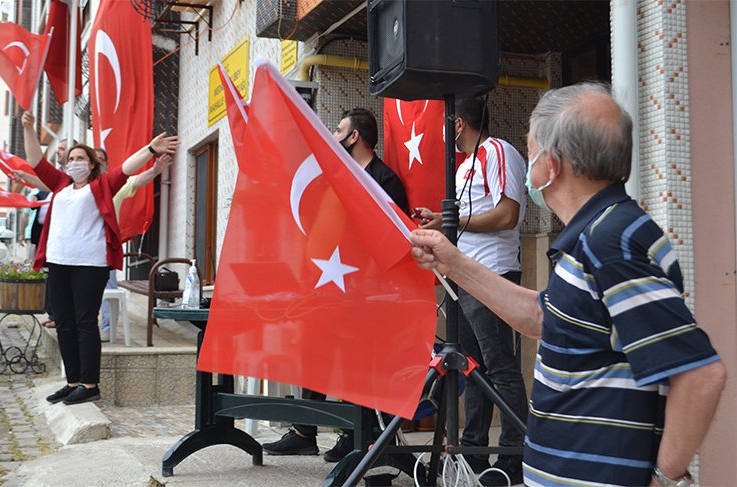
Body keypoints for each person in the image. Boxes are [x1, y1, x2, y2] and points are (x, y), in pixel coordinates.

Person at [410, 83, 726, 486]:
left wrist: (663, 480)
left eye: (529, 150)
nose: (526, 165)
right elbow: (539, 317)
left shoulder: (612, 243)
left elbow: (700, 375)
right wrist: (452, 263)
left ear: (553, 164)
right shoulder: (594, 236)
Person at [262, 108, 409, 462]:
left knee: (355, 363)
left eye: (339, 130)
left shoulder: (384, 180)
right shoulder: (334, 177)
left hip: (368, 292)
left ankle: (353, 434)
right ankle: (303, 432)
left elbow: (394, 238)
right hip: (329, 282)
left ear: (355, 136)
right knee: (315, 352)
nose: (333, 135)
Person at [17, 111, 179, 405]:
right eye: (70, 159)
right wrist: (29, 129)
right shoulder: (60, 186)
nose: (74, 163)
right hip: (58, 262)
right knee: (63, 322)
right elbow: (36, 162)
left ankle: (90, 384)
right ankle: (73, 381)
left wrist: (151, 150)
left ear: (91, 165)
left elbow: (127, 170)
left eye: (81, 159)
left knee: (84, 322)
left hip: (89, 264)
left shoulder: (101, 185)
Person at [415, 97, 528, 484]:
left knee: (499, 367)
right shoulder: (464, 169)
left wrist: (457, 220)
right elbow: (467, 220)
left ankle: (517, 452)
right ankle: (475, 450)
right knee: (473, 368)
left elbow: (506, 214)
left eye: (448, 123)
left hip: (492, 277)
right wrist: (439, 221)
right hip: (465, 278)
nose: (445, 132)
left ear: (459, 123)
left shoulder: (497, 150)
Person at [97, 148, 174, 342]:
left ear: (106, 164)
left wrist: (155, 170)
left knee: (108, 290)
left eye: (101, 160)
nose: (97, 164)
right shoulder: (78, 188)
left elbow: (136, 180)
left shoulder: (112, 187)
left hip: (105, 248)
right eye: (94, 160)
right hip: (80, 249)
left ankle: (107, 328)